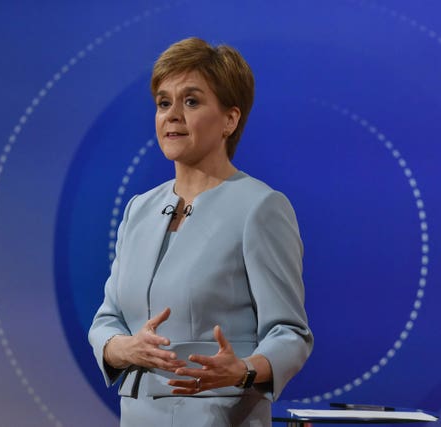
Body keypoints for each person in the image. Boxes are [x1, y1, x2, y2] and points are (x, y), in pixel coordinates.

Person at [89, 37, 313, 426]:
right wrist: (125, 348)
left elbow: (290, 333)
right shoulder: (140, 209)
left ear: (230, 119)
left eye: (191, 101)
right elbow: (106, 321)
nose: (172, 115)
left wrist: (243, 369)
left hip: (217, 416)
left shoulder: (259, 208)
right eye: (163, 103)